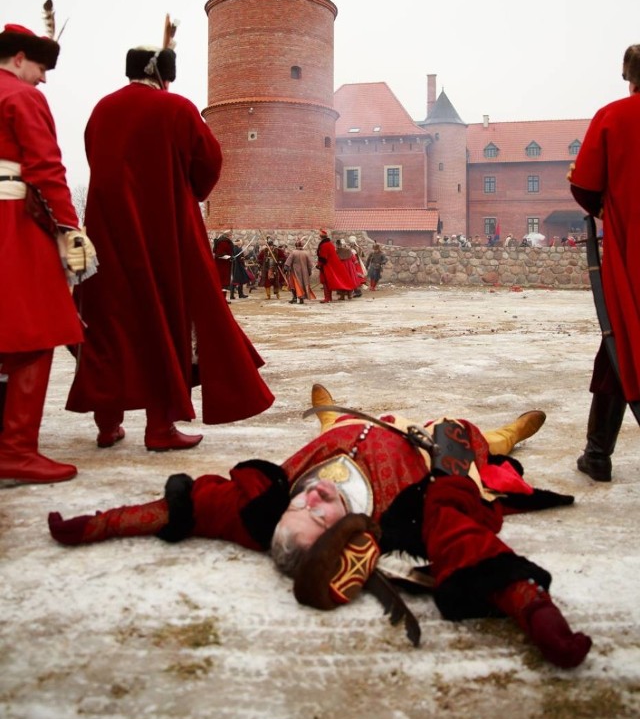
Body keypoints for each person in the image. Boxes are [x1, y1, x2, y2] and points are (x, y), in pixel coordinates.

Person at [48, 383, 591, 670]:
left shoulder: (261, 509)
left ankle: (330, 413)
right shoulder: (409, 514)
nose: (310, 497)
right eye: (320, 516)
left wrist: (97, 525)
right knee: (472, 437)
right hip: (430, 444)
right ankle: (507, 435)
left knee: (336, 420)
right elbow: (468, 546)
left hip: (354, 425)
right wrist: (539, 615)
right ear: (346, 534)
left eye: (297, 508)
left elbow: (186, 507)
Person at [65, 24, 274, 451]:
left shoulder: (101, 110)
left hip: (106, 237)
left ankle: (108, 425)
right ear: (164, 75)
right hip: (165, 237)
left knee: (111, 328)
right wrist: (185, 190)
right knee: (165, 324)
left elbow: (94, 158)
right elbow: (209, 162)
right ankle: (159, 428)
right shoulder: (177, 109)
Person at [0, 18, 96, 484]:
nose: (43, 79)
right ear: (19, 58)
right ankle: (15, 451)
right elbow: (45, 167)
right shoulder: (22, 96)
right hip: (12, 224)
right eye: (40, 67)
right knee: (37, 333)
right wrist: (69, 228)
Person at [568, 43, 640, 482]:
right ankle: (596, 454)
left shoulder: (613, 116)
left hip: (632, 258)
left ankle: (598, 455)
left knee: (619, 346)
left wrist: (611, 209)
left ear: (631, 80)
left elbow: (585, 185)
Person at [212, 231, 234, 300]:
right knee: (222, 283)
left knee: (224, 283)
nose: (232, 236)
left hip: (225, 266)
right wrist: (229, 257)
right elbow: (219, 254)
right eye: (231, 235)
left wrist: (230, 257)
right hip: (222, 266)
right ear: (228, 235)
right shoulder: (223, 242)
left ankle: (223, 299)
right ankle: (221, 299)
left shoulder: (225, 241)